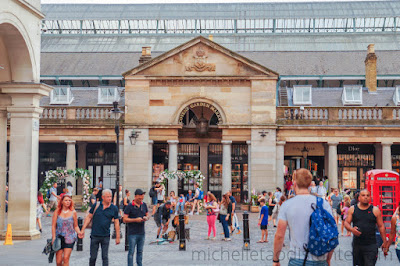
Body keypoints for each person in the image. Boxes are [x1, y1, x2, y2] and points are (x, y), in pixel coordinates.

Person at [273, 168, 335, 266]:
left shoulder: (287, 205)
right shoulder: (323, 203)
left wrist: (276, 260)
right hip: (320, 259)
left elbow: (279, 236)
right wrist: (328, 258)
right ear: (310, 184)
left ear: (294, 183)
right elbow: (332, 234)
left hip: (298, 259)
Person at [344, 189, 387, 266]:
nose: (366, 197)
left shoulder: (375, 210)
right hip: (357, 245)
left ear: (370, 197)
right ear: (359, 198)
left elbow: (381, 226)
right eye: (363, 195)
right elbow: (346, 222)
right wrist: (351, 229)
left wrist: (385, 242)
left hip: (371, 245)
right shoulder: (353, 209)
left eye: (367, 195)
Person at [80, 189, 120, 266]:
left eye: (110, 197)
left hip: (105, 236)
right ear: (103, 197)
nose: (109, 198)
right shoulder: (96, 205)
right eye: (107, 197)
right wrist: (83, 229)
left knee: (105, 257)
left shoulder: (114, 208)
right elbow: (89, 217)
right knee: (93, 257)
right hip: (95, 235)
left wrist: (117, 236)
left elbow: (116, 222)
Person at [51, 195, 81, 266]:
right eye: (66, 200)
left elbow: (76, 225)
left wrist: (79, 232)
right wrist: (53, 237)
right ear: (62, 202)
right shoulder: (57, 211)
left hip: (70, 237)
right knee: (58, 261)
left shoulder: (73, 212)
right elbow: (53, 226)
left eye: (69, 200)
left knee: (66, 258)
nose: (68, 202)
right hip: (59, 238)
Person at [123, 189, 149, 266]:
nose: (141, 198)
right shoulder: (129, 206)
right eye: (139, 197)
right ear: (135, 196)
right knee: (131, 252)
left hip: (141, 232)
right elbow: (124, 219)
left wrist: (146, 218)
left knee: (140, 251)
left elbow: (147, 215)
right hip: (132, 233)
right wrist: (135, 220)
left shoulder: (144, 205)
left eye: (142, 197)